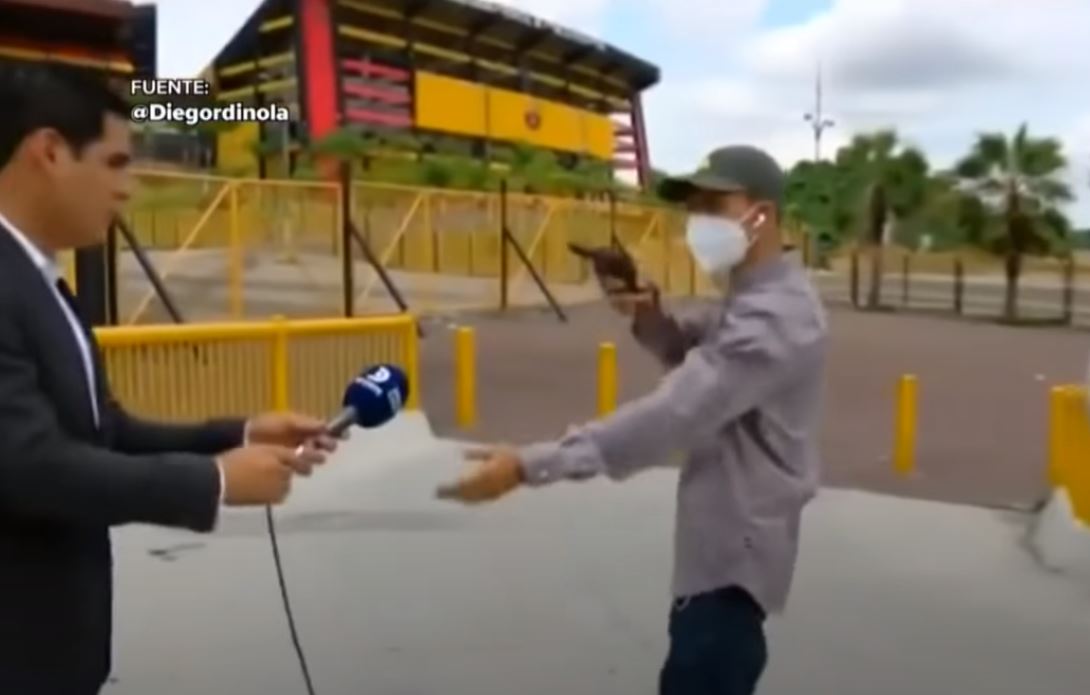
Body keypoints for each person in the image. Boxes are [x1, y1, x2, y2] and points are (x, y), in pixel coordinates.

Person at [436, 145, 828, 695]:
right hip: (720, 555)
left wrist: (532, 464)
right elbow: (695, 355)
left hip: (734, 565)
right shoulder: (749, 299)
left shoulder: (778, 316)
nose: (699, 222)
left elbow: (683, 408)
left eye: (714, 205)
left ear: (759, 215)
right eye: (694, 207)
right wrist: (644, 309)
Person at [0, 64, 338, 694]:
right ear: (49, 152)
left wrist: (237, 433)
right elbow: (26, 464)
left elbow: (105, 431)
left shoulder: (40, 282)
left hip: (52, 650)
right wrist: (212, 482)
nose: (128, 188)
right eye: (116, 162)